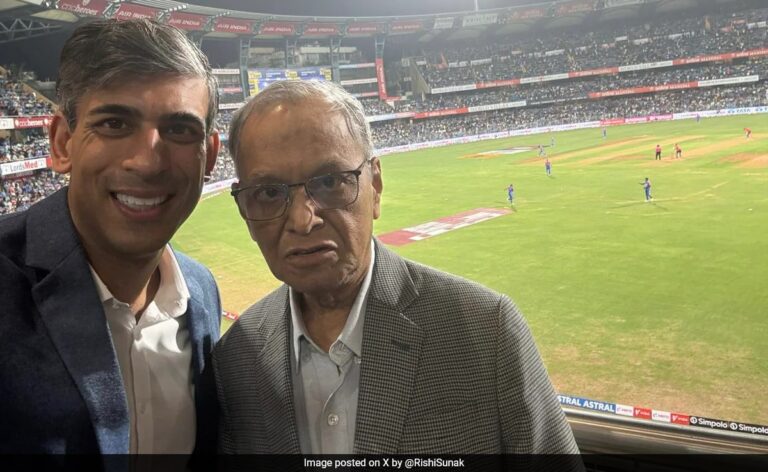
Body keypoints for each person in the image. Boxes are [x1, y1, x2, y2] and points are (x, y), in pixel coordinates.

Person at [212, 80, 578, 454]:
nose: (303, 219)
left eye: (329, 182)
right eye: (269, 193)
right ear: (244, 208)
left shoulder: (487, 332)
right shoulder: (236, 358)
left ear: (377, 186)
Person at [0, 19, 222, 454]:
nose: (148, 162)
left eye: (179, 129)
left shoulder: (203, 291)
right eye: (115, 124)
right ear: (63, 143)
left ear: (209, 155)